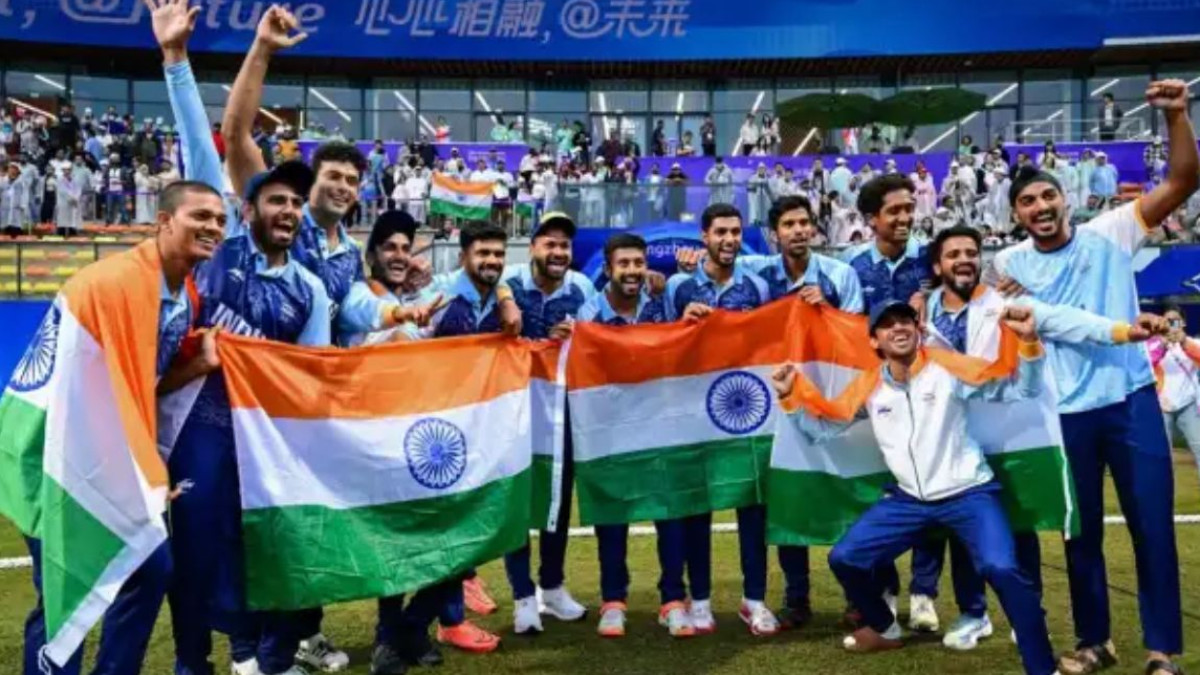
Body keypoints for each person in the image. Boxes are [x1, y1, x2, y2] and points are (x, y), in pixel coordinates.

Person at [993, 79, 1197, 675]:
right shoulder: (1008, 263)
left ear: (1066, 199)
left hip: (1130, 400)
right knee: (1078, 535)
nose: (1040, 206)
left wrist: (1177, 116)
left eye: (1047, 195)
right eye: (1027, 201)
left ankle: (1161, 652)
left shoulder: (1113, 231)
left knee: (1152, 528)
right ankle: (1095, 643)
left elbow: (1184, 180)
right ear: (1015, 214)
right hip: (1062, 413)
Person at [771, 300, 1059, 675]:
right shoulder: (869, 387)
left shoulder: (949, 371)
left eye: (905, 320)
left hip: (969, 492)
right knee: (845, 558)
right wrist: (788, 396)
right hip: (909, 500)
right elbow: (819, 432)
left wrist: (1030, 343)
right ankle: (884, 627)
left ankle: (1043, 668)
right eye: (887, 324)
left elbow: (1023, 389)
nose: (899, 328)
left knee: (1001, 567)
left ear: (918, 330)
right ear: (874, 341)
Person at [916, 225, 1165, 650]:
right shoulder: (921, 316)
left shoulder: (1007, 305)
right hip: (952, 436)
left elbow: (1070, 321)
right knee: (959, 528)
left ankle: (1027, 615)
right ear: (937, 266)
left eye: (971, 252)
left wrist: (1124, 331)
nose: (964, 260)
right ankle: (973, 613)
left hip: (1009, 434)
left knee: (1020, 526)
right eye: (953, 254)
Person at [18, 175, 227, 675]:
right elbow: (90, 394)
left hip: (103, 453)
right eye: (200, 216)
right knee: (65, 590)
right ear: (164, 221)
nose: (214, 227)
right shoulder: (117, 285)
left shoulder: (184, 293)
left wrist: (196, 366)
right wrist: (142, 475)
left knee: (148, 569)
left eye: (220, 219)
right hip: (56, 453)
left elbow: (142, 385)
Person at [576, 233, 700, 638]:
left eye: (638, 263)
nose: (632, 271)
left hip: (661, 427)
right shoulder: (589, 314)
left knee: (670, 513)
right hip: (610, 430)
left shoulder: (661, 303)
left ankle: (672, 599)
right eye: (624, 264)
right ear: (608, 269)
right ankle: (613, 601)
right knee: (612, 516)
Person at [664, 203, 777, 637]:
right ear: (704, 236)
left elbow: (768, 344)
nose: (729, 239)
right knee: (698, 507)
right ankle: (701, 599)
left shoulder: (757, 285)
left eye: (735, 232)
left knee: (753, 506)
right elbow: (661, 343)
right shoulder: (678, 285)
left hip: (745, 412)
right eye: (721, 232)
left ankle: (755, 599)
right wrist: (682, 325)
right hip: (694, 413)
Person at [497, 212, 594, 634]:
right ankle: (523, 595)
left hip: (560, 412)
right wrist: (504, 299)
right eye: (549, 243)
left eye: (564, 245)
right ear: (532, 246)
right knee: (519, 499)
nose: (558, 252)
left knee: (558, 496)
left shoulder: (582, 288)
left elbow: (598, 337)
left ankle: (552, 587)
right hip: (512, 412)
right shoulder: (509, 283)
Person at [1149, 307, 1200, 484]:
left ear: (1183, 323)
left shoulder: (1193, 342)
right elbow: (1147, 364)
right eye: (1167, 321)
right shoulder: (1153, 344)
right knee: (1164, 454)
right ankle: (1164, 493)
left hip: (1188, 405)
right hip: (1162, 406)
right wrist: (1162, 345)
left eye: (1175, 321)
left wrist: (1183, 342)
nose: (1171, 325)